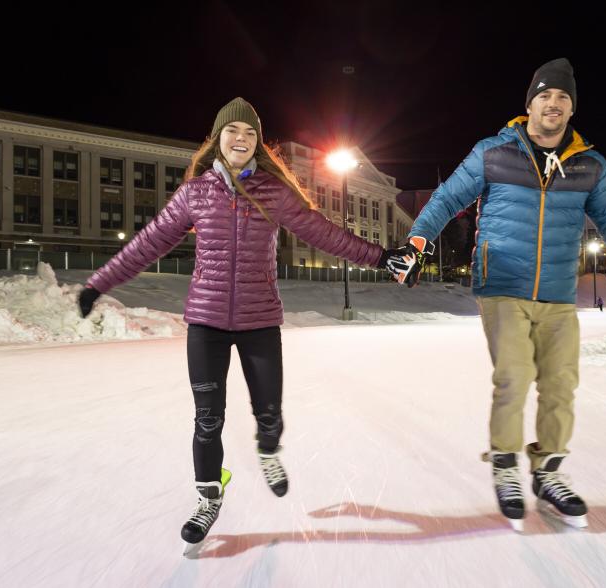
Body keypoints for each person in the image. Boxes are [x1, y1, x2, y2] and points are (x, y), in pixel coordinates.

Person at [78, 98, 392, 546]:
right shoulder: (196, 193)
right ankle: (208, 498)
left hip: (259, 320)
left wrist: (380, 256)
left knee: (269, 415)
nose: (241, 139)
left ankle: (268, 448)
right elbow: (147, 244)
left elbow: (324, 233)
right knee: (207, 420)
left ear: (257, 144)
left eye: (249, 133)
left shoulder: (274, 192)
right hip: (206, 322)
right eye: (232, 131)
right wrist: (98, 283)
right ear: (217, 139)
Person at [388, 58, 606, 530]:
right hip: (502, 284)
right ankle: (505, 467)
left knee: (561, 384)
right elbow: (446, 199)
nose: (554, 104)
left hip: (559, 292)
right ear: (529, 104)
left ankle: (547, 472)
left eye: (563, 98)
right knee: (515, 376)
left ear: (571, 108)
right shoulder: (493, 153)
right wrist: (417, 243)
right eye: (545, 95)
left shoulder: (589, 165)